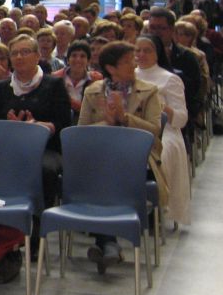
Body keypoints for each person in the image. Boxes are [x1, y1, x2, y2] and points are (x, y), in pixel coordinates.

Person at [77, 41, 163, 272]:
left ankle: (106, 243)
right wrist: (107, 121)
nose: (133, 64)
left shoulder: (149, 91)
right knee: (102, 172)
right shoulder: (93, 91)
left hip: (139, 159)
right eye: (127, 61)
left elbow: (155, 130)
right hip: (101, 158)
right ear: (111, 68)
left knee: (106, 176)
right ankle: (108, 244)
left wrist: (125, 118)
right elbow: (81, 131)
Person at [0, 34, 72, 217]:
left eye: (25, 52)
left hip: (46, 149)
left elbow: (64, 123)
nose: (19, 57)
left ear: (36, 56)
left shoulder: (54, 84)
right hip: (8, 147)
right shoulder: (1, 88)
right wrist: (10, 126)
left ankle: (36, 227)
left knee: (42, 169)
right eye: (14, 53)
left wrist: (38, 127)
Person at [135, 34, 191, 227]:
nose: (141, 55)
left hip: (165, 130)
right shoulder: (129, 76)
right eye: (138, 51)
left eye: (147, 50)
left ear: (157, 53)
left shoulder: (170, 79)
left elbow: (181, 119)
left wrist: (162, 107)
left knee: (162, 151)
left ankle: (157, 204)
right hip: (133, 128)